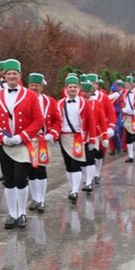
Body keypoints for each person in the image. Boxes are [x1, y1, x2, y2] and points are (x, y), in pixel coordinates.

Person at [0, 59, 43, 228]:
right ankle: (12, 214)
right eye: (8, 73)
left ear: (19, 76)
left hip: (22, 144)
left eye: (14, 74)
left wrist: (22, 136)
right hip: (5, 144)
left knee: (20, 179)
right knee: (8, 180)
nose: (11, 76)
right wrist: (0, 136)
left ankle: (22, 213)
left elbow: (38, 120)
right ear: (4, 76)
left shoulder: (30, 95)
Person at [57, 75, 98, 204]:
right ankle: (72, 187)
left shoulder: (84, 102)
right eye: (70, 87)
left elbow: (91, 121)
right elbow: (56, 120)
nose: (73, 89)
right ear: (66, 89)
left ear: (78, 88)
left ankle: (75, 190)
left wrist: (92, 139)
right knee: (68, 164)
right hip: (64, 137)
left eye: (75, 87)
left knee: (76, 163)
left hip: (78, 137)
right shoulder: (60, 103)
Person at [26, 72, 61, 212]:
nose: (34, 87)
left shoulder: (50, 101)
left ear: (42, 87)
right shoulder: (23, 99)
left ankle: (41, 199)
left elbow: (57, 120)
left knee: (41, 169)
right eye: (31, 85)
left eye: (37, 85)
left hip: (42, 140)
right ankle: (34, 198)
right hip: (27, 140)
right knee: (30, 170)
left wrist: (53, 133)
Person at [119, 76, 135, 162]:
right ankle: (130, 155)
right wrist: (123, 109)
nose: (126, 86)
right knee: (128, 136)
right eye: (125, 84)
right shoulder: (124, 93)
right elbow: (121, 102)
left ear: (133, 84)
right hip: (127, 117)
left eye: (127, 84)